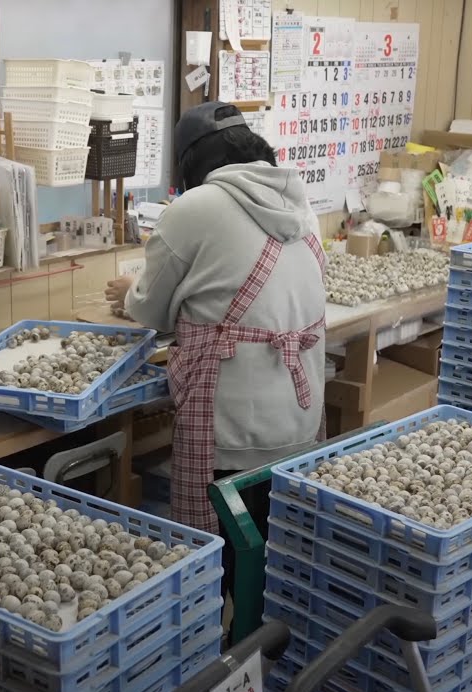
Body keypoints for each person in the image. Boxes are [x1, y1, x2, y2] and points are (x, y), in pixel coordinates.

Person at [104, 101, 327, 585]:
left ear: (190, 164)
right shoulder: (301, 202)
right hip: (298, 416)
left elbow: (150, 310)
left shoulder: (195, 208)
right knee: (275, 555)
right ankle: (260, 635)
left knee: (222, 562)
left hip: (232, 427)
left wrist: (129, 292)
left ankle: (230, 646)